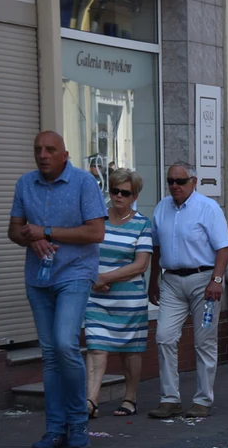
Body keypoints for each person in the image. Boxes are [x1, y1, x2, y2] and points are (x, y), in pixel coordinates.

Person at [8, 131, 107, 448]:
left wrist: (47, 231)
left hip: (74, 275)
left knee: (65, 344)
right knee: (50, 354)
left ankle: (78, 423)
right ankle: (54, 429)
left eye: (50, 149)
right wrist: (30, 237)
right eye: (38, 149)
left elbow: (96, 232)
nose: (43, 154)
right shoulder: (25, 184)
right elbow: (14, 231)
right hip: (38, 278)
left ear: (65, 154)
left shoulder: (83, 183)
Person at [147, 162, 228, 420]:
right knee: (164, 337)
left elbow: (223, 248)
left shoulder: (207, 208)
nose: (175, 186)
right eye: (170, 181)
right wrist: (153, 281)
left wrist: (217, 280)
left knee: (204, 341)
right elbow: (156, 248)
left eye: (180, 181)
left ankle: (203, 400)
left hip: (203, 281)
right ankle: (170, 398)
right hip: (171, 281)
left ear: (193, 182)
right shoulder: (162, 207)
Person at [85, 168, 153, 419]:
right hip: (97, 296)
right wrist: (95, 278)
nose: (118, 196)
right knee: (96, 347)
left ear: (134, 196)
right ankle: (91, 401)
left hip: (129, 300)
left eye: (125, 193)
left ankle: (130, 398)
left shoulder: (142, 224)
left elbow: (141, 265)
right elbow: (85, 251)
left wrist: (106, 277)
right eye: (114, 191)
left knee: (130, 351)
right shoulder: (97, 219)